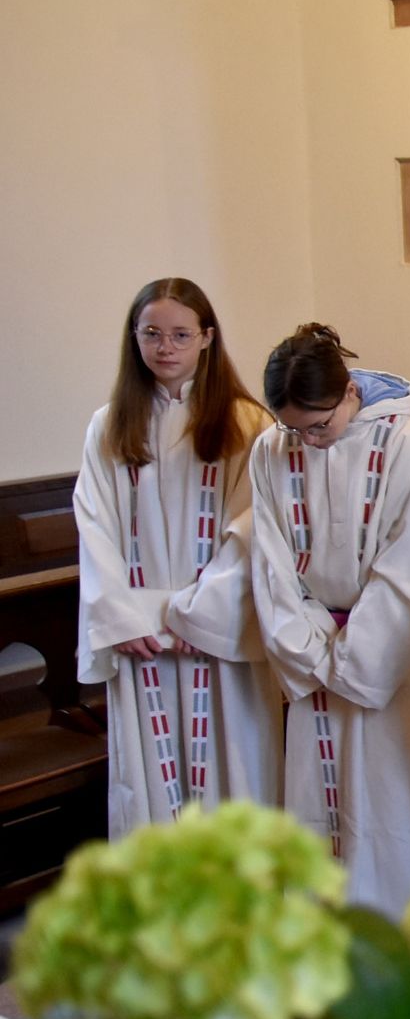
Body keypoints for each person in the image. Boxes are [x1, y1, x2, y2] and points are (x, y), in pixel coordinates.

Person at [231, 323, 410, 914]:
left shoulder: (406, 443)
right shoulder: (272, 450)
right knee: (319, 811)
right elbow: (272, 564)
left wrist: (356, 658)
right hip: (316, 657)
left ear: (349, 393)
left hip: (390, 663)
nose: (308, 441)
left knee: (392, 805)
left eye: (319, 425)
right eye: (293, 428)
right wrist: (310, 650)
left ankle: (407, 946)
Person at [78, 279, 277, 838]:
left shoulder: (247, 424)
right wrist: (123, 616)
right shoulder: (109, 425)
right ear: (134, 339)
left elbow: (255, 525)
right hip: (142, 635)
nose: (165, 347)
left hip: (216, 632)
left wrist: (203, 614)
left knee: (234, 767)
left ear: (207, 338)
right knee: (150, 781)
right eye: (151, 334)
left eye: (180, 335)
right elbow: (94, 525)